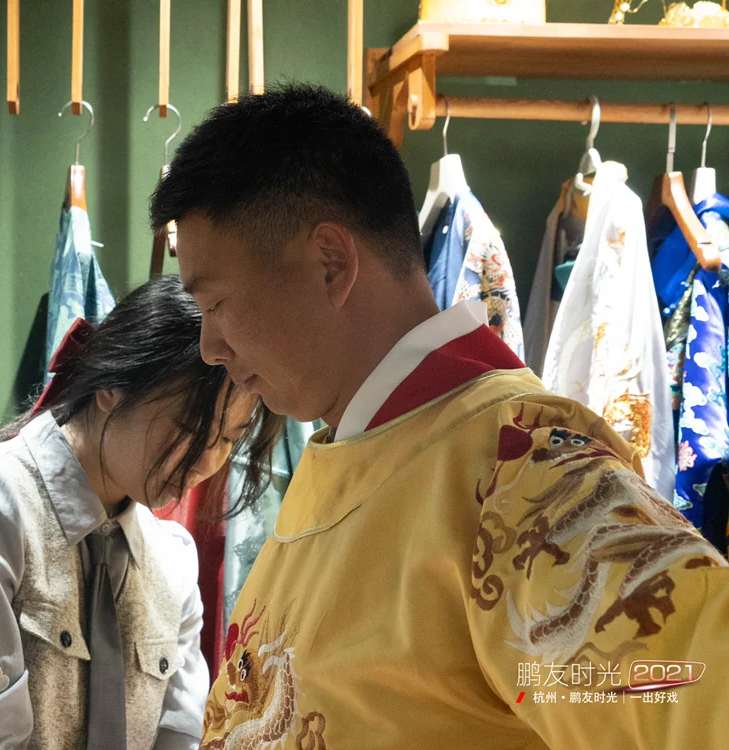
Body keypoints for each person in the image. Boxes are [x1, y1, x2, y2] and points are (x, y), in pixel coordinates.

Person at [150, 83, 729, 749]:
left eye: (215, 304)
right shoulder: (358, 441)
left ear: (330, 263)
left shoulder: (524, 475)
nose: (209, 347)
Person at [0, 275, 284, 749]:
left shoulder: (172, 562)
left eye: (228, 439)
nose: (207, 462)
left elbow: (180, 736)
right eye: (190, 427)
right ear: (111, 387)